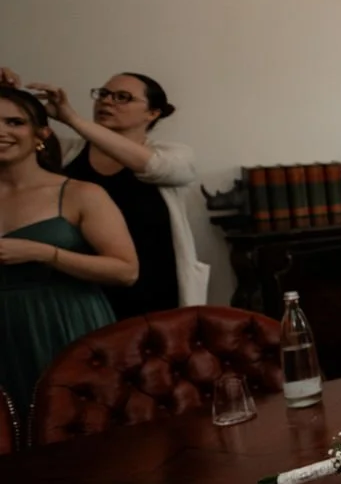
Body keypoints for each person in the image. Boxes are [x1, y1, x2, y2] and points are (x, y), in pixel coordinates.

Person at [0, 68, 207, 317]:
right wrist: (13, 92)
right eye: (104, 94)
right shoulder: (68, 153)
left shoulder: (174, 156)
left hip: (154, 285)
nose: (107, 101)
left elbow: (153, 167)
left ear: (153, 113)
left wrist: (72, 119)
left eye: (122, 97)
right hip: (82, 287)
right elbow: (20, 140)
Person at [0, 86, 138, 418]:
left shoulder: (80, 193)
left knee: (77, 428)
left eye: (14, 122)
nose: (1, 131)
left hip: (62, 321)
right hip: (4, 330)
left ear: (40, 134)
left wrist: (43, 252)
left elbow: (125, 271)